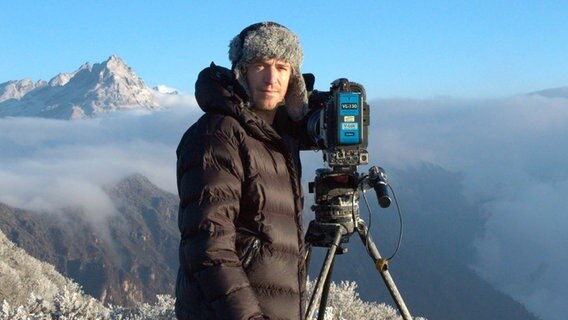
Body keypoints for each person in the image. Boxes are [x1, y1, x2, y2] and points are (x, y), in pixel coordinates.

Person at [175, 21, 313, 320]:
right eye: (260, 65)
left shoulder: (276, 139)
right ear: (241, 71)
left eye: (281, 67)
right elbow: (209, 244)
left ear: (294, 78)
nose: (271, 78)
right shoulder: (218, 134)